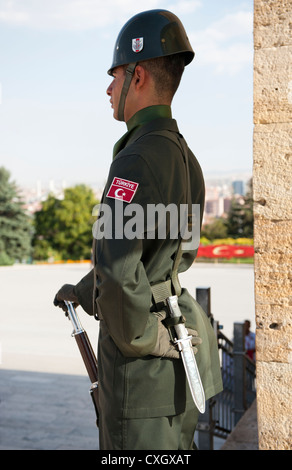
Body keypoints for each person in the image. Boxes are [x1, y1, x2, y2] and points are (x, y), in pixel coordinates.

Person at [54, 9, 222, 450]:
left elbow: (119, 266)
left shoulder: (135, 159)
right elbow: (167, 254)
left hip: (142, 376)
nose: (109, 88)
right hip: (184, 361)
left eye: (115, 75)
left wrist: (147, 339)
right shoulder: (186, 159)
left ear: (140, 75)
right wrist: (85, 287)